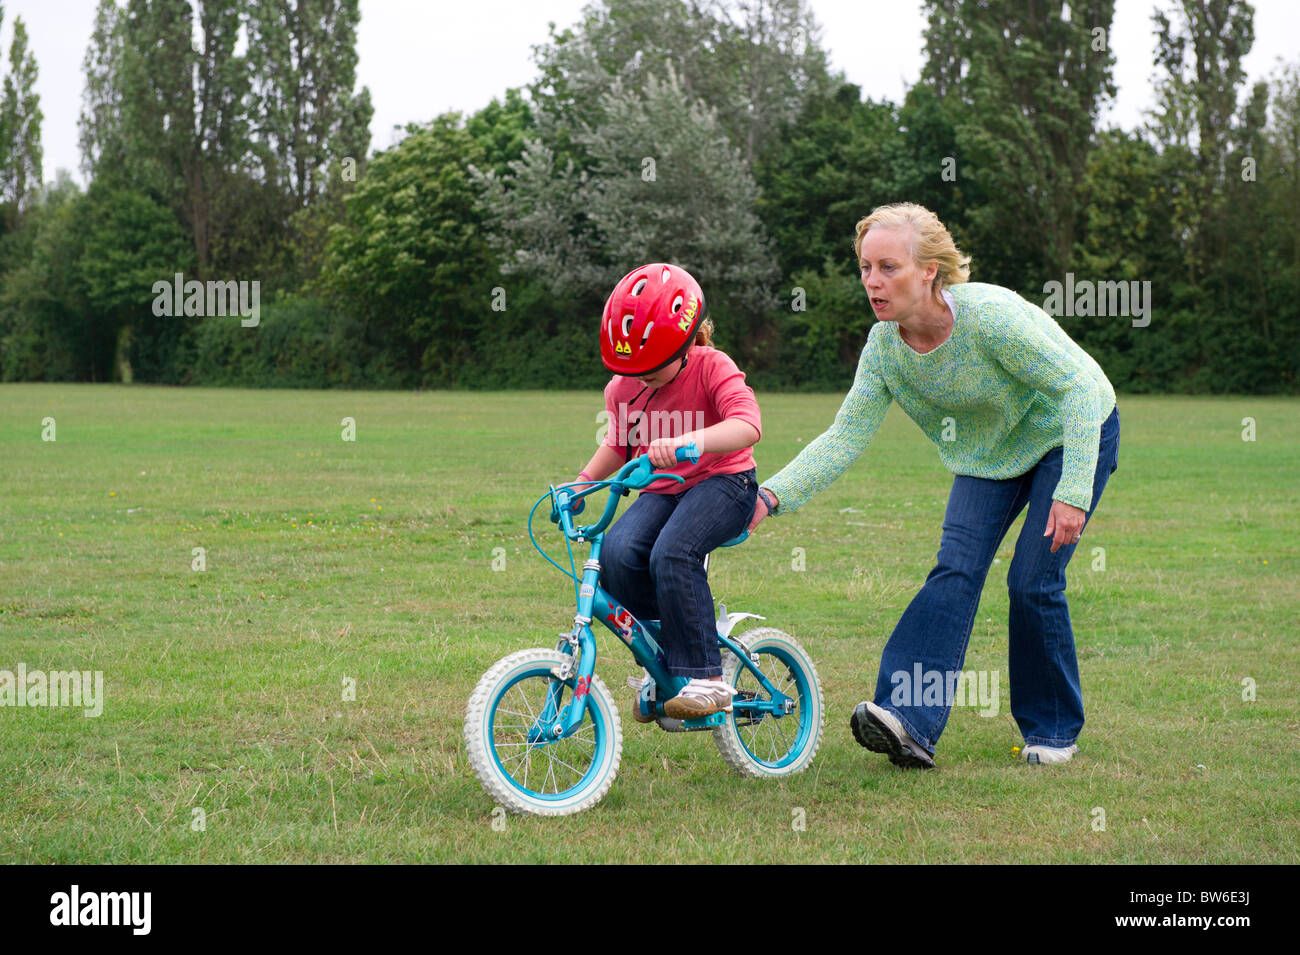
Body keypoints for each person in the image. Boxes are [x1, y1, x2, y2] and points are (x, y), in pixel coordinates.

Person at [749, 203, 1119, 768]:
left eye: (888, 267)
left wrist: (1073, 488)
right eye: (866, 268)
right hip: (989, 457)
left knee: (1031, 581)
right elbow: (843, 437)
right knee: (955, 569)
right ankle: (908, 721)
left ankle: (1052, 731)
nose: (873, 281)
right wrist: (769, 495)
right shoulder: (884, 350)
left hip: (1070, 434)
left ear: (929, 271)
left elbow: (1077, 390)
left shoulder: (989, 318)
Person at [573, 263, 761, 720]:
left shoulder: (712, 366)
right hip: (662, 490)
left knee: (672, 552)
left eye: (651, 367)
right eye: (630, 368)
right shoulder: (624, 387)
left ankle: (708, 679)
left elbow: (747, 425)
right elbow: (618, 443)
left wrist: (687, 443)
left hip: (725, 483)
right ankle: (667, 654)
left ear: (686, 342)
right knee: (617, 554)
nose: (640, 377)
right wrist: (580, 484)